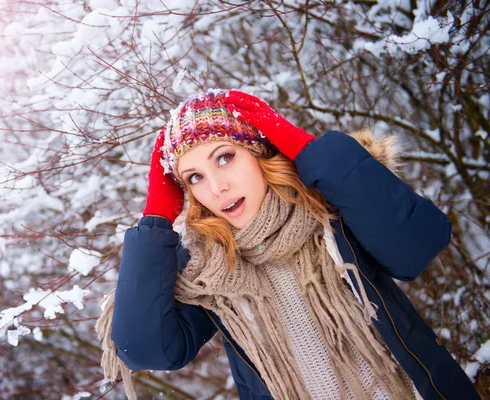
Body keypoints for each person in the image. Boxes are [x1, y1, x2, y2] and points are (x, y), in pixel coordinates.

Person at [96, 90, 479, 400]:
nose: (216, 187)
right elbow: (146, 348)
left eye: (226, 157)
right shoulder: (205, 269)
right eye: (194, 177)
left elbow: (416, 246)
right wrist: (156, 219)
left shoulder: (333, 212)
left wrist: (305, 147)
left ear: (259, 152)